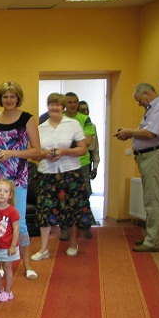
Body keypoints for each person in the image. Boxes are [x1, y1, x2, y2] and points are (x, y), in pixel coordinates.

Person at [0, 81, 42, 280]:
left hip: (18, 178)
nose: (9, 100)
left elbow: (37, 151)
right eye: (5, 96)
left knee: (20, 223)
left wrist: (11, 153)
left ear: (18, 98)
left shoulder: (27, 119)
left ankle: (27, 265)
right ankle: (2, 262)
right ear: (0, 98)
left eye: (12, 96)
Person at [31, 93, 91, 260]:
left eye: (57, 105)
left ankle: (73, 244)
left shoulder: (73, 124)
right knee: (44, 210)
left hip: (70, 173)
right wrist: (44, 154)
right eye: (51, 104)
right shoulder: (41, 127)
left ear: (63, 107)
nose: (54, 107)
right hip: (46, 174)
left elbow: (83, 149)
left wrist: (64, 151)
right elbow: (34, 153)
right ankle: (44, 249)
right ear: (48, 106)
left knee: (70, 210)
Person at [115, 83, 159, 252]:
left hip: (153, 156)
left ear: (145, 93)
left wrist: (129, 132)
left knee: (153, 200)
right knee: (152, 199)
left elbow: (150, 133)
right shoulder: (153, 109)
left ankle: (153, 242)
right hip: (148, 157)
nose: (139, 104)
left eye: (139, 100)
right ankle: (154, 237)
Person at [62, 92, 96, 240]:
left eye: (75, 102)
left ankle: (86, 225)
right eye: (69, 102)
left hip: (82, 163)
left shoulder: (85, 119)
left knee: (84, 195)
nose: (72, 104)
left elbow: (87, 141)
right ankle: (64, 229)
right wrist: (76, 142)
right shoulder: (59, 118)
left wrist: (66, 143)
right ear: (64, 104)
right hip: (63, 163)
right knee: (64, 197)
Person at [77, 101, 100, 181]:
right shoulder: (73, 125)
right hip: (74, 158)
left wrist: (95, 166)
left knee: (86, 185)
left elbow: (95, 147)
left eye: (87, 109)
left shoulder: (92, 126)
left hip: (87, 159)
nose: (86, 112)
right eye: (83, 110)